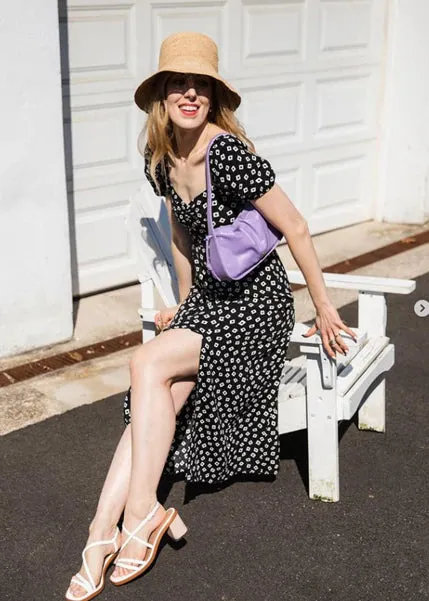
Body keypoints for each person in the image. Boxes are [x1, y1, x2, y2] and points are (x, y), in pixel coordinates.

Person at [65, 31, 356, 601]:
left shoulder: (227, 153)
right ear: (163, 96)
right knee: (162, 392)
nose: (190, 94)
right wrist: (182, 299)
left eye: (201, 85)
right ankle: (104, 531)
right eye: (179, 84)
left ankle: (139, 514)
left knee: (145, 363)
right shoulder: (161, 159)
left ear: (213, 96)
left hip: (256, 307)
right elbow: (178, 234)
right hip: (210, 304)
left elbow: (293, 226)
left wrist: (321, 305)